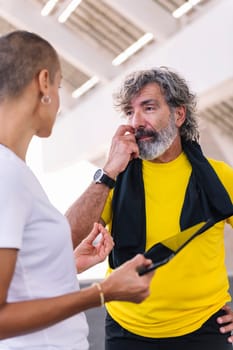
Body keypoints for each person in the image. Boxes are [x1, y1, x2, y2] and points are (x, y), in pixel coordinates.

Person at [0, 30, 155, 350]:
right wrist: (103, 292)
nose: (57, 102)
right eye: (58, 87)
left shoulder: (15, 172)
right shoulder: (6, 175)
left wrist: (66, 266)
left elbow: (20, 283)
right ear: (44, 82)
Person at [66, 67, 233, 350]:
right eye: (130, 113)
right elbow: (64, 238)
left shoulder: (219, 177)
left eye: (149, 108)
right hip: (126, 331)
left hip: (206, 329)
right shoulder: (112, 178)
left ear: (179, 115)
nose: (136, 122)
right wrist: (109, 170)